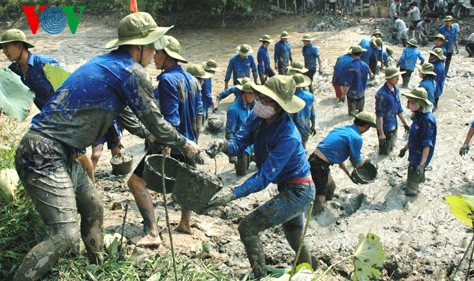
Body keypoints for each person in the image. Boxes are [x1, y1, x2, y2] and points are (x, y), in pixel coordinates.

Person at [12, 12, 199, 280]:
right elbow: (156, 121)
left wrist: (149, 137)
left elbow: (127, 117)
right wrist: (184, 144)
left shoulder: (108, 65)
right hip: (43, 152)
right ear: (140, 47)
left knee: (93, 208)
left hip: (61, 151)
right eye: (153, 46)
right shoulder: (131, 72)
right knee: (64, 237)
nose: (155, 52)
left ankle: (96, 268)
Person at [205, 76, 315, 279]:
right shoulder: (257, 117)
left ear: (280, 106)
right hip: (286, 186)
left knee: (247, 228)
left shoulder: (288, 136)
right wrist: (222, 145)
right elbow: (239, 143)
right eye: (260, 96)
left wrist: (232, 193)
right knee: (293, 233)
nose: (260, 102)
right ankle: (309, 271)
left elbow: (263, 178)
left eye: (266, 99)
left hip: (300, 191)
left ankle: (260, 275)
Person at [129, 36, 204, 241]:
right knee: (187, 183)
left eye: (158, 53)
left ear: (167, 56)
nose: (154, 57)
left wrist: (165, 146)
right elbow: (200, 113)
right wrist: (194, 139)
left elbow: (171, 119)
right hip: (190, 144)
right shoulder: (193, 80)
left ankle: (151, 228)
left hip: (172, 142)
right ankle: (185, 223)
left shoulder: (166, 80)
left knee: (135, 182)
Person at [0, 28, 95, 181]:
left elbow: (68, 88)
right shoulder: (13, 71)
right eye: (3, 48)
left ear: (19, 46)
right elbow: (8, 95)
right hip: (47, 119)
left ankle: (92, 188)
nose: (4, 51)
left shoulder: (44, 64)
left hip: (66, 115)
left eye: (7, 47)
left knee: (79, 154)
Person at [309, 112, 376, 214]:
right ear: (366, 126)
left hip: (315, 160)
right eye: (369, 127)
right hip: (319, 165)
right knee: (320, 197)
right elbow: (358, 164)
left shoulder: (343, 129)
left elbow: (340, 161)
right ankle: (315, 214)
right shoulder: (356, 137)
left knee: (331, 188)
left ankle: (321, 202)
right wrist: (366, 160)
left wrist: (349, 176)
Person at [399, 88, 437, 196]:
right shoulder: (417, 115)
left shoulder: (427, 120)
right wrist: (405, 148)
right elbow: (414, 136)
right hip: (414, 150)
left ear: (420, 103)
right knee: (414, 170)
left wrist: (422, 164)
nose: (410, 104)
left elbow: (427, 145)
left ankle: (412, 190)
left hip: (420, 155)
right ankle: (419, 178)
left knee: (413, 173)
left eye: (413, 102)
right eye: (409, 101)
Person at [375, 67, 411, 155]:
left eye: (398, 76)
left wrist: (405, 124)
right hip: (385, 128)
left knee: (391, 146)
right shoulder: (381, 94)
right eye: (395, 77)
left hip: (394, 124)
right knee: (384, 153)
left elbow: (398, 108)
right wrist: (381, 133)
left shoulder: (396, 89)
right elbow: (379, 115)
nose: (398, 79)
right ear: (388, 78)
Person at [225, 81, 256, 176]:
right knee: (241, 174)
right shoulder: (233, 110)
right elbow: (229, 133)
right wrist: (232, 154)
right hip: (241, 149)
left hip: (251, 146)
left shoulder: (249, 106)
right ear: (246, 93)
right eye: (253, 95)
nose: (255, 98)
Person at [341, 45, 369, 116]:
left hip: (352, 94)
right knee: (361, 114)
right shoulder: (365, 66)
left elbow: (348, 83)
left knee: (351, 114)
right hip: (362, 92)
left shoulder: (350, 66)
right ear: (361, 54)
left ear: (352, 54)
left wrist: (343, 95)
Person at [291, 73, 316, 148]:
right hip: (306, 127)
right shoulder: (309, 96)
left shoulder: (291, 98)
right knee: (303, 147)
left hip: (293, 129)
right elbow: (312, 113)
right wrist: (313, 125)